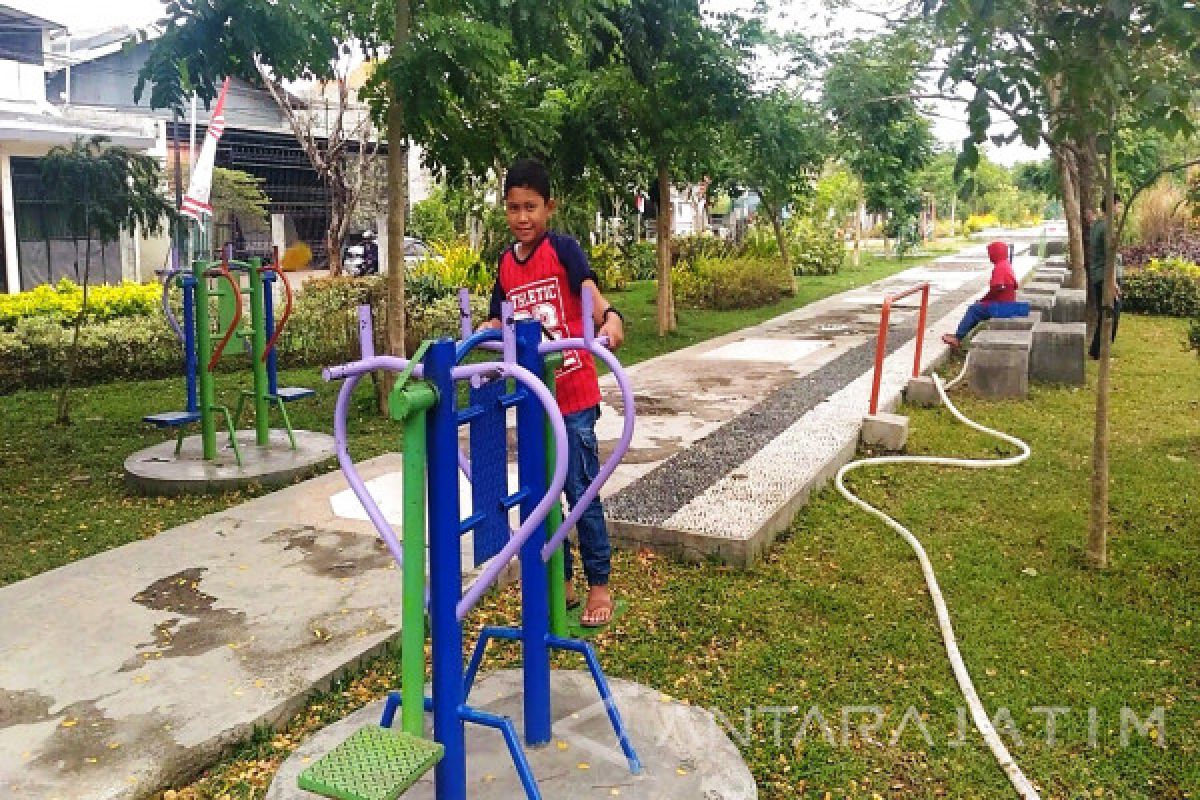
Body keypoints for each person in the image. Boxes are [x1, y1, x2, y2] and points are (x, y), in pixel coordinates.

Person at [479, 157, 626, 627]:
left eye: (531, 207)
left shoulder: (562, 249)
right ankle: (561, 578)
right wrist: (481, 334)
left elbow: (591, 294)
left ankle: (598, 584)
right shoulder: (505, 263)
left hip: (574, 394)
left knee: (581, 490)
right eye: (514, 208)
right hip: (532, 403)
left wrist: (611, 317)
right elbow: (495, 317)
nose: (522, 218)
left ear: (549, 208)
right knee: (543, 494)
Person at [941, 240, 1018, 348]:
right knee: (978, 309)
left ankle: (958, 338)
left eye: (990, 253)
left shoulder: (1000, 268)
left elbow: (996, 290)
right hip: (1008, 303)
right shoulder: (1006, 264)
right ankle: (961, 335)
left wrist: (983, 301)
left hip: (1002, 307)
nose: (989, 256)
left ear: (996, 253)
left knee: (974, 309)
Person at [1088, 195, 1122, 359]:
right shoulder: (1107, 227)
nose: (1119, 208)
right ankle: (1100, 352)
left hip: (1098, 275)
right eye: (1118, 205)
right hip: (1104, 276)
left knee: (1106, 313)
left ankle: (1097, 350)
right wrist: (1113, 282)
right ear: (1112, 205)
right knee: (1111, 313)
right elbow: (1110, 257)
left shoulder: (1098, 224)